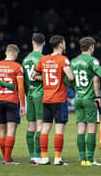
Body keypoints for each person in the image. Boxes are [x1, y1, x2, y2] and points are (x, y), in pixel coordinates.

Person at [32, 35, 74, 165]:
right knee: (59, 128)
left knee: (45, 128)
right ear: (61, 44)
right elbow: (71, 77)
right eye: (64, 43)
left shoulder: (44, 59)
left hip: (46, 98)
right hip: (59, 99)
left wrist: (47, 79)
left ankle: (44, 158)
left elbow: (34, 76)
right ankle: (57, 159)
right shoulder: (63, 59)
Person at [67, 37, 101, 166]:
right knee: (92, 128)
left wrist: (76, 88)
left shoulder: (73, 61)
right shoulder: (93, 61)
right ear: (91, 47)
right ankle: (91, 159)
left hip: (78, 98)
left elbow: (68, 80)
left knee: (81, 128)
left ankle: (83, 159)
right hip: (89, 99)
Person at [22, 33, 45, 164]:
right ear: (44, 43)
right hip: (40, 94)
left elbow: (24, 81)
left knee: (31, 126)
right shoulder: (43, 59)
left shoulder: (25, 59)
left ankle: (32, 156)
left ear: (32, 43)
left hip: (29, 94)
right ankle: (39, 156)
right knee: (41, 125)